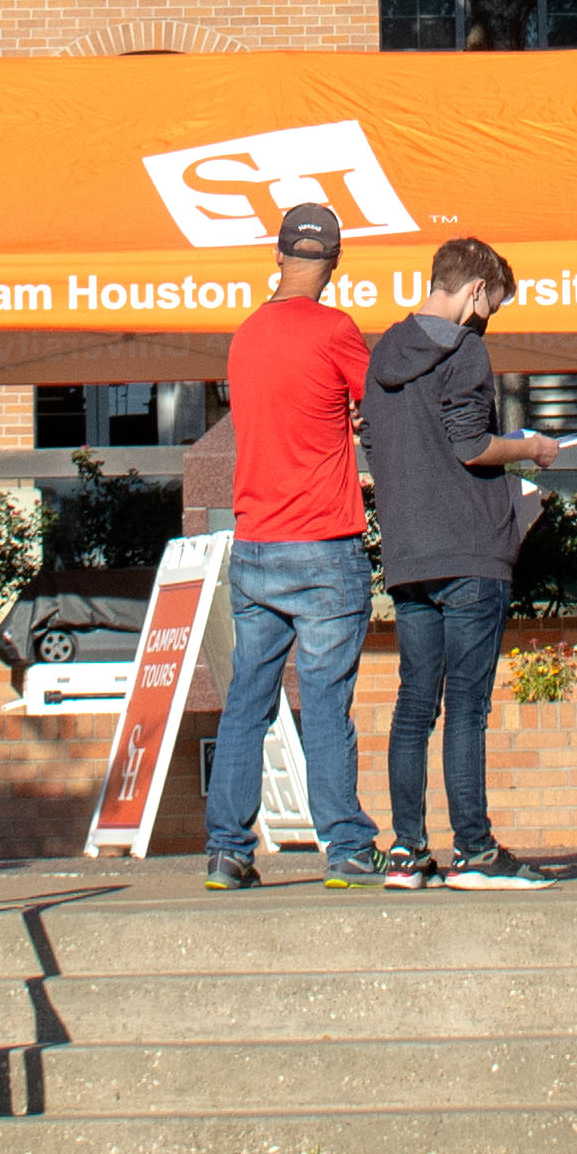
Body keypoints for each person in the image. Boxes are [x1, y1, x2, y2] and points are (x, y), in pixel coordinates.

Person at [365, 231, 563, 887]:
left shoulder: (382, 355)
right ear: (475, 290)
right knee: (467, 707)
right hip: (470, 549)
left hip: (409, 552)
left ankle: (406, 851)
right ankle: (473, 851)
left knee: (414, 704)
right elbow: (472, 446)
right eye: (492, 305)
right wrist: (530, 448)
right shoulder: (467, 350)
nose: (488, 319)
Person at [203, 198, 388, 892]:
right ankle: (344, 847)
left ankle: (226, 850)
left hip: (255, 542)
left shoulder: (245, 336)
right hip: (323, 543)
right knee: (325, 701)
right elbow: (378, 409)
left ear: (277, 257)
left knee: (248, 700)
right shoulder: (337, 330)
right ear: (334, 267)